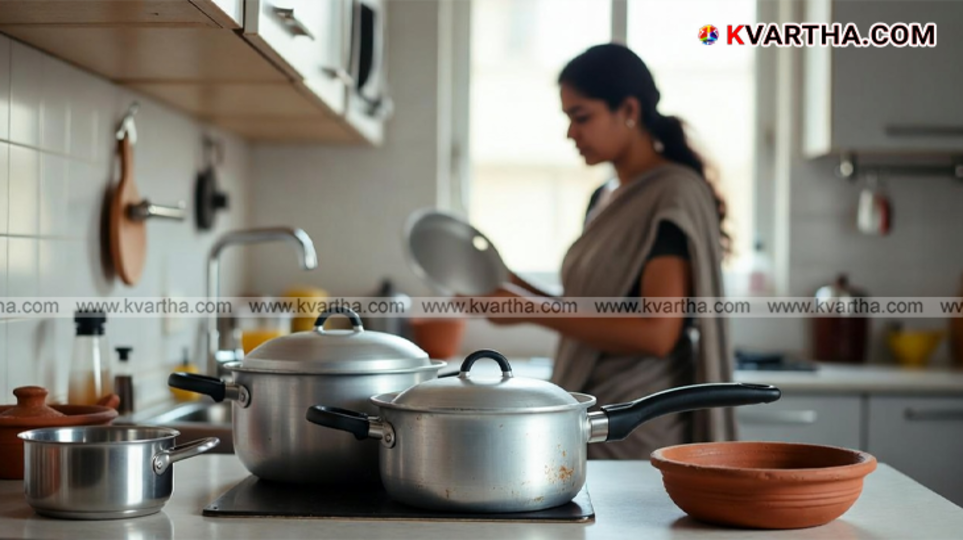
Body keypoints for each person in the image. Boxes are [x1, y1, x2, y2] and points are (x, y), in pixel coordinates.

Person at [481, 43, 734, 459]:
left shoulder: (671, 194)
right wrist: (509, 282)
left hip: (636, 423)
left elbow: (657, 332)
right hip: (590, 412)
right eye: (568, 119)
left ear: (629, 110)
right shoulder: (605, 195)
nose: (571, 133)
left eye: (581, 117)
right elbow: (587, 309)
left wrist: (527, 309)